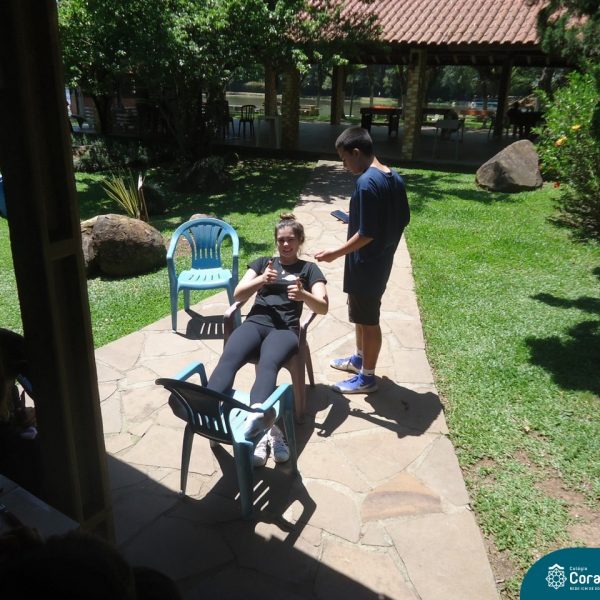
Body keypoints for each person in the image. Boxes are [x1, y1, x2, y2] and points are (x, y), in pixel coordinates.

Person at [207, 213, 328, 466]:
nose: (286, 244)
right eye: (281, 240)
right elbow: (238, 294)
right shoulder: (263, 263)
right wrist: (262, 280)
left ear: (300, 241)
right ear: (276, 241)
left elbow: (323, 306)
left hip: (284, 330)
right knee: (229, 357)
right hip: (256, 323)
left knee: (268, 364)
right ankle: (206, 408)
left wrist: (304, 295)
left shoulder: (309, 269)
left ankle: (257, 422)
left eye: (291, 239)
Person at [314, 126, 410, 394]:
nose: (344, 166)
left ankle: (367, 378)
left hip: (367, 264)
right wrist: (356, 218)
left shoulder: (366, 183)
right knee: (360, 314)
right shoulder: (392, 176)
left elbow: (367, 234)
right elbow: (401, 219)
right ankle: (359, 359)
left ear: (356, 152)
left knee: (369, 321)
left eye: (344, 159)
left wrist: (335, 253)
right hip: (379, 261)